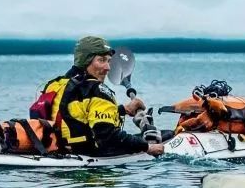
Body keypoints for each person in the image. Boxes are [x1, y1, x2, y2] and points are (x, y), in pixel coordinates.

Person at [35, 36, 164, 156]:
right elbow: (108, 136)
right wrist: (147, 147)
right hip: (90, 160)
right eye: (101, 60)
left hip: (58, 150)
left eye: (109, 61)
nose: (108, 68)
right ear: (86, 61)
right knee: (167, 135)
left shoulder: (55, 85)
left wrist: (123, 110)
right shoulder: (98, 90)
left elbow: (73, 116)